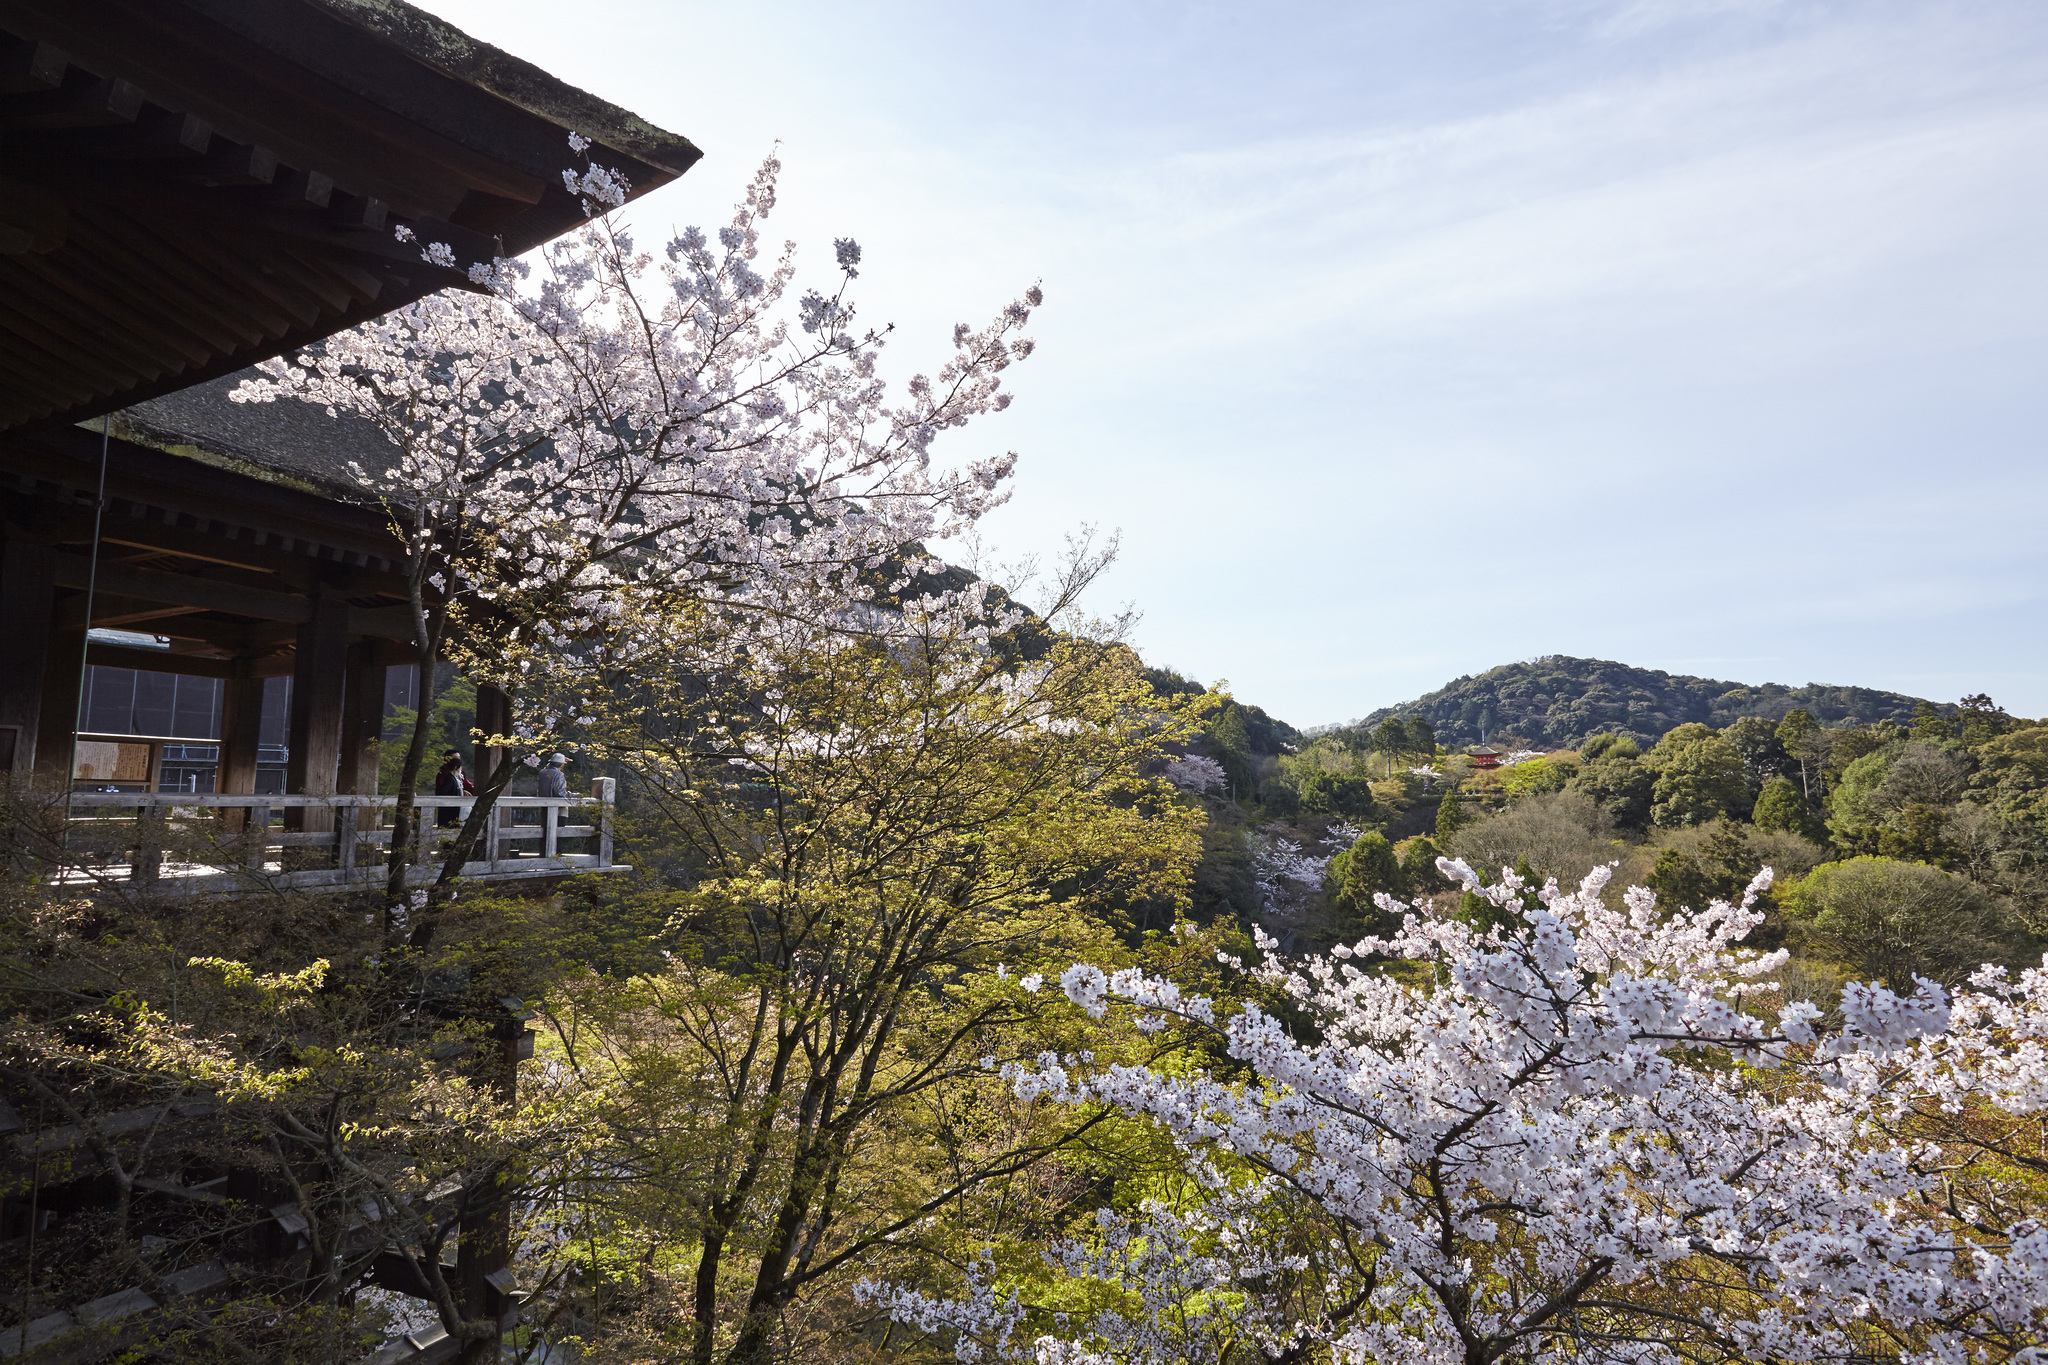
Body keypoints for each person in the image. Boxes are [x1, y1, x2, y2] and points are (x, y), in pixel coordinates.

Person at [434, 751, 471, 827]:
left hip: (456, 807)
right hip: (448, 808)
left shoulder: (459, 775)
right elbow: (442, 792)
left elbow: (467, 785)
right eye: (455, 758)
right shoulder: (445, 775)